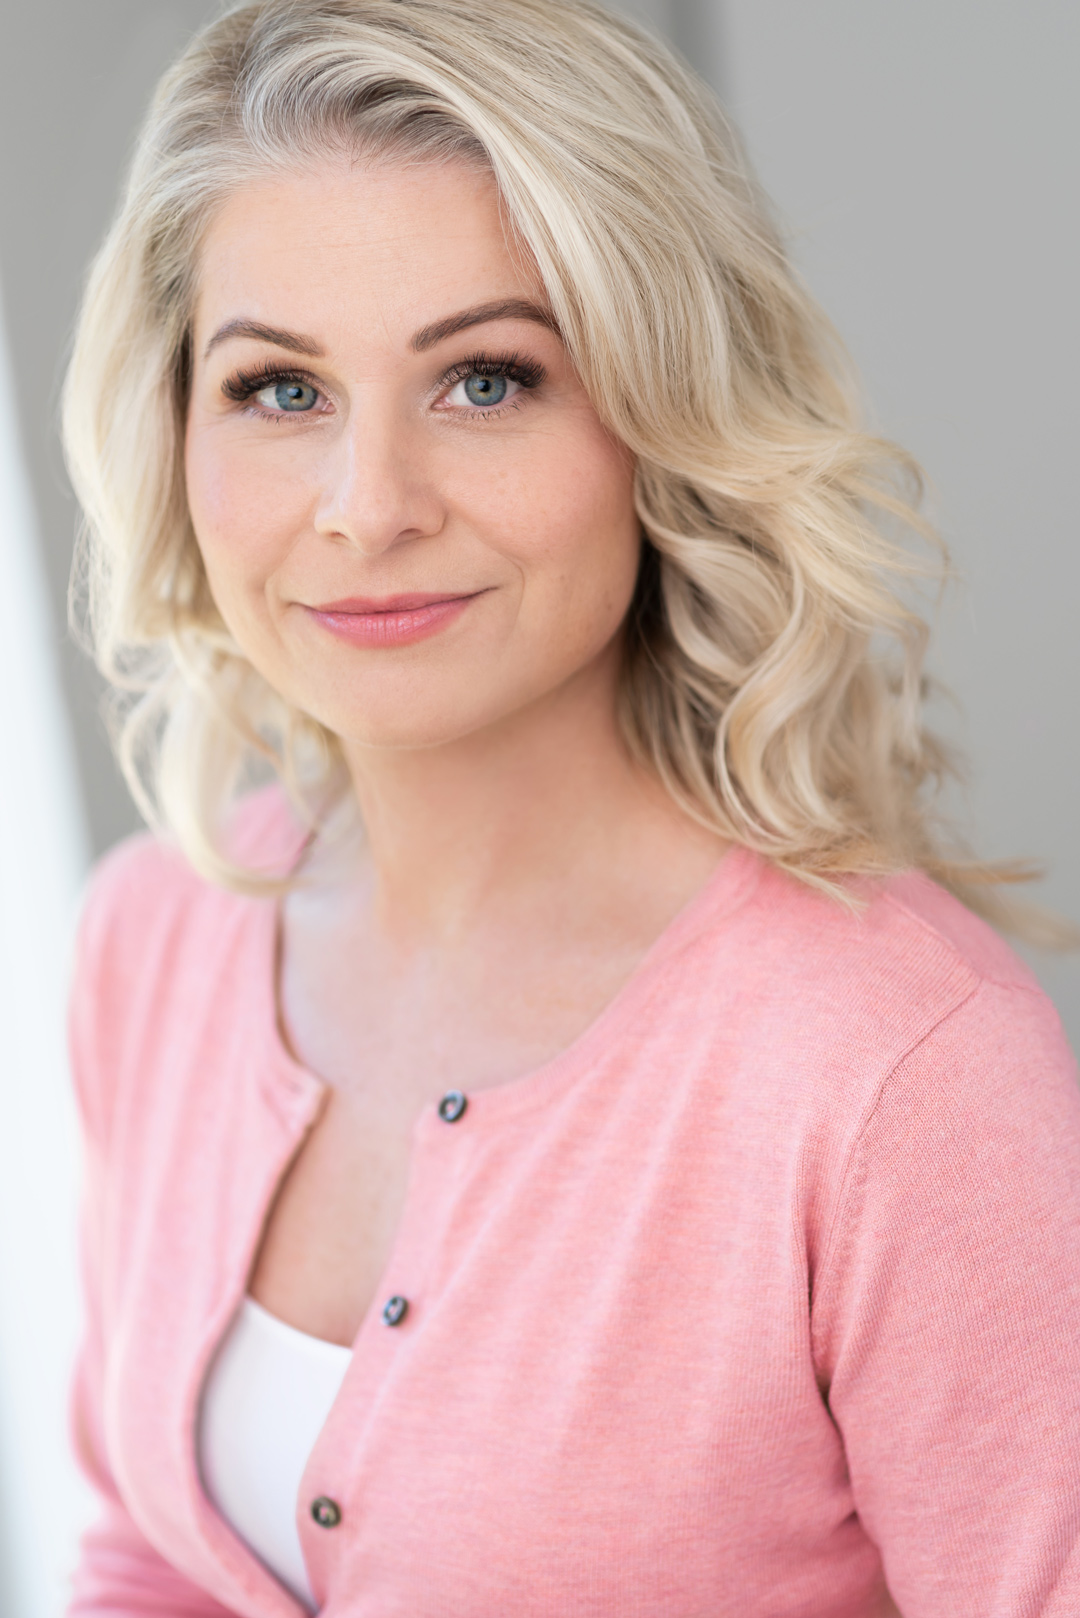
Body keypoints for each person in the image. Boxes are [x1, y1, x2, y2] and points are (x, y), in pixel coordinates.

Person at [60, 0, 1080, 1613]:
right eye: (277, 389)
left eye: (485, 378)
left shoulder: (901, 1074)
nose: (369, 507)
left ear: (658, 417)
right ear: (175, 427)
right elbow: (146, 1555)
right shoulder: (157, 937)